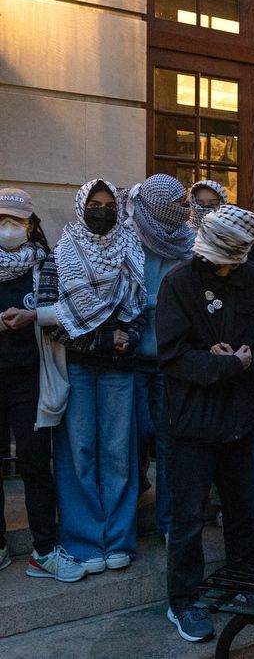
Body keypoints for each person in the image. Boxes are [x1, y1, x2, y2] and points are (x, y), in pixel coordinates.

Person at [157, 206, 254, 642]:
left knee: (243, 512)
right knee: (188, 517)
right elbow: (170, 355)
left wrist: (245, 358)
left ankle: (244, 585)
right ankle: (183, 602)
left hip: (240, 418)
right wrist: (218, 363)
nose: (223, 267)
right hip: (190, 419)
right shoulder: (178, 282)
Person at [36, 180, 146, 574]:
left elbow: (139, 310)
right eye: (94, 204)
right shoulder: (60, 256)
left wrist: (128, 339)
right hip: (79, 368)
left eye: (109, 205)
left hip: (121, 370)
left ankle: (117, 540)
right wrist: (102, 340)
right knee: (79, 454)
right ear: (81, 207)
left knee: (118, 455)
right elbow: (50, 318)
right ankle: (83, 542)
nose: (102, 211)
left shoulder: (131, 251)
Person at [0, 189, 85, 582]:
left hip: (31, 378)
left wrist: (33, 315)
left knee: (36, 465)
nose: (8, 228)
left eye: (16, 220)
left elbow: (68, 310)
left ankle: (45, 551)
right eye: (2, 219)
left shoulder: (45, 266)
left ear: (31, 225)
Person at [126, 174, 194, 541]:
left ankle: (169, 522)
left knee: (170, 443)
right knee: (132, 441)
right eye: (177, 203)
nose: (183, 210)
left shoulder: (186, 242)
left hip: (170, 360)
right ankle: (131, 520)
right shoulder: (127, 238)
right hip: (130, 357)